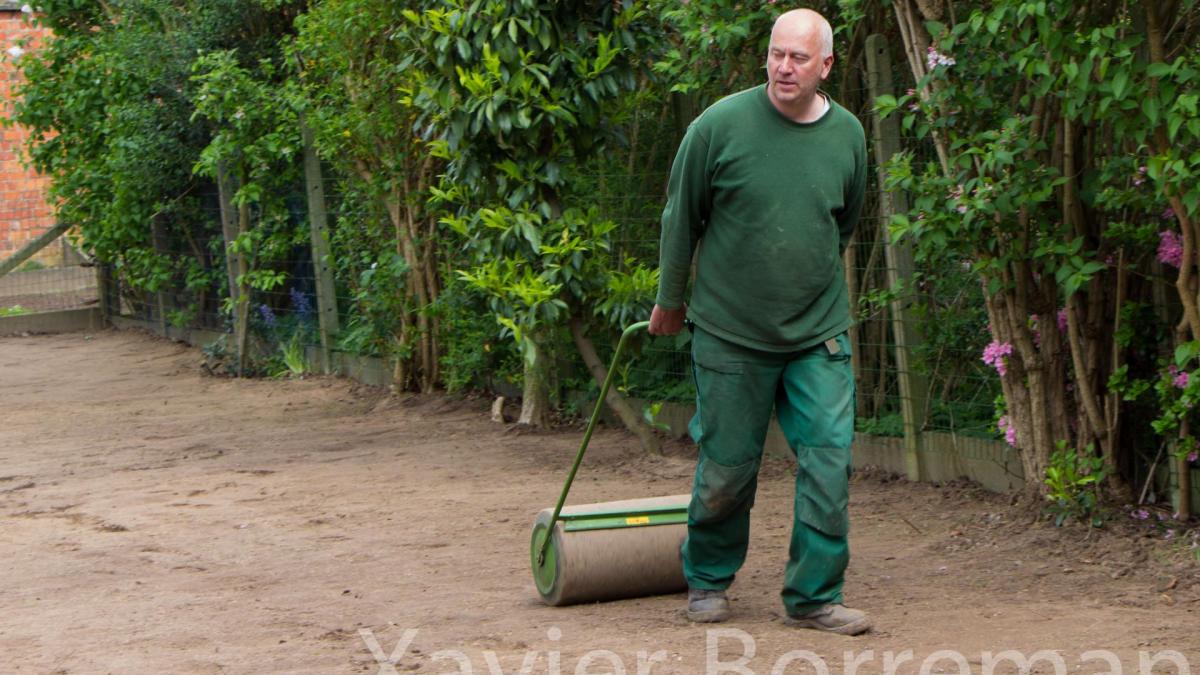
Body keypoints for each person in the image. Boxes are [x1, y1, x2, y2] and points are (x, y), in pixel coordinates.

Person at [648, 8, 869, 635]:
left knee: (829, 460)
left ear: (825, 65)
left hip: (817, 331)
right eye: (776, 53)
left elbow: (843, 222)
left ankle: (814, 596)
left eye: (798, 57)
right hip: (729, 331)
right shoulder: (718, 126)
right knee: (728, 466)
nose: (782, 66)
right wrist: (670, 297)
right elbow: (679, 215)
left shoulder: (848, 134)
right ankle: (709, 579)